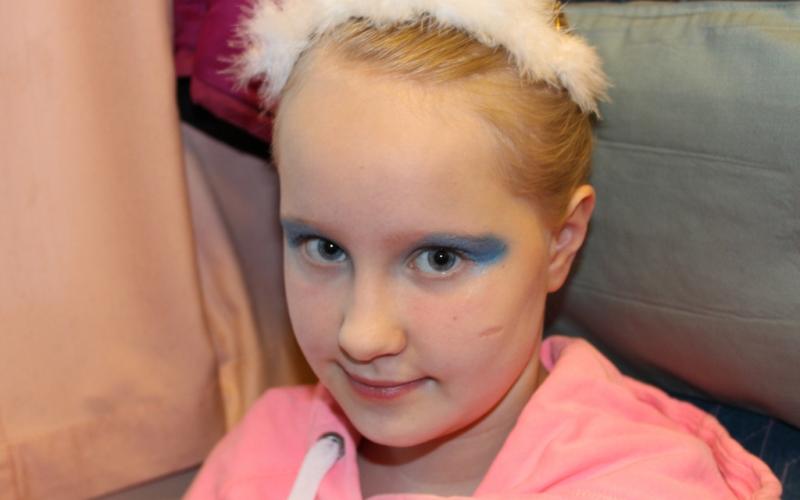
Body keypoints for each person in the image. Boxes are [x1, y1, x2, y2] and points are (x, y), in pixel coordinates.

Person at [185, 0, 781, 498]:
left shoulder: (645, 486)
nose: (362, 336)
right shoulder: (260, 452)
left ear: (561, 243)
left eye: (439, 259)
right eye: (325, 248)